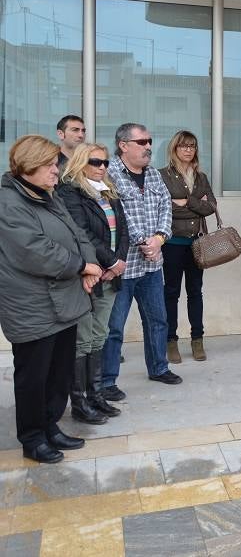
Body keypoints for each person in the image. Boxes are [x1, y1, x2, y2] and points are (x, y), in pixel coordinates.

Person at [0, 135, 102, 463]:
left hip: (65, 300)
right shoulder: (9, 202)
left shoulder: (49, 195)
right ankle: (32, 438)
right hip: (32, 306)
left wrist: (90, 266)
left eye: (55, 164)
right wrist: (80, 266)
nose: (55, 170)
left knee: (59, 374)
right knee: (34, 377)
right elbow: (34, 251)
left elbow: (78, 235)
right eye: (48, 165)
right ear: (27, 166)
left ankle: (51, 426)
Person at [102, 123, 181, 400]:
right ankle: (107, 381)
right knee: (114, 328)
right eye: (142, 141)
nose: (149, 146)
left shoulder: (154, 176)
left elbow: (166, 208)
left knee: (158, 320)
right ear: (123, 145)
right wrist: (144, 242)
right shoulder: (109, 173)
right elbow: (117, 215)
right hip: (123, 266)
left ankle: (159, 367)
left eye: (149, 140)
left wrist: (160, 238)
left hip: (152, 264)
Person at [58, 144, 129, 424]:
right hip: (88, 276)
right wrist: (110, 262)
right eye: (95, 162)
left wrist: (118, 262)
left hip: (110, 275)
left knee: (99, 336)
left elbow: (122, 229)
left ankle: (96, 395)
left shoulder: (108, 191)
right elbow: (82, 233)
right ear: (79, 162)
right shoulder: (70, 191)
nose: (102, 167)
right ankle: (80, 403)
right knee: (83, 340)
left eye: (105, 162)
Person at [159, 130, 216, 362]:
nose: (188, 150)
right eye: (183, 146)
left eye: (192, 146)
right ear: (174, 148)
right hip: (171, 243)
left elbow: (211, 206)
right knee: (171, 293)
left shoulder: (201, 177)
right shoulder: (162, 175)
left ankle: (197, 340)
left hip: (196, 243)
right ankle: (170, 340)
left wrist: (186, 202)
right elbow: (164, 207)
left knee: (195, 292)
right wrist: (195, 205)